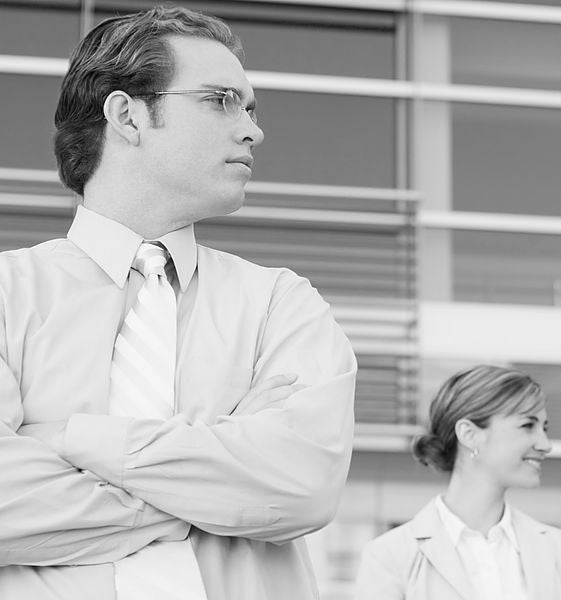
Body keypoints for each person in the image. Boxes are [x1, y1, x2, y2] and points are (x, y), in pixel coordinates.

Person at [0, 6, 356, 600]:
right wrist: (210, 501)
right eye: (220, 100)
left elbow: (301, 484)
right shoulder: (6, 293)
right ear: (127, 115)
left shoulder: (280, 302)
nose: (252, 129)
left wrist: (73, 439)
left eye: (249, 108)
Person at [355, 365, 561, 600]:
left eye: (544, 428)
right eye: (527, 426)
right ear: (469, 434)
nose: (545, 444)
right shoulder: (390, 556)